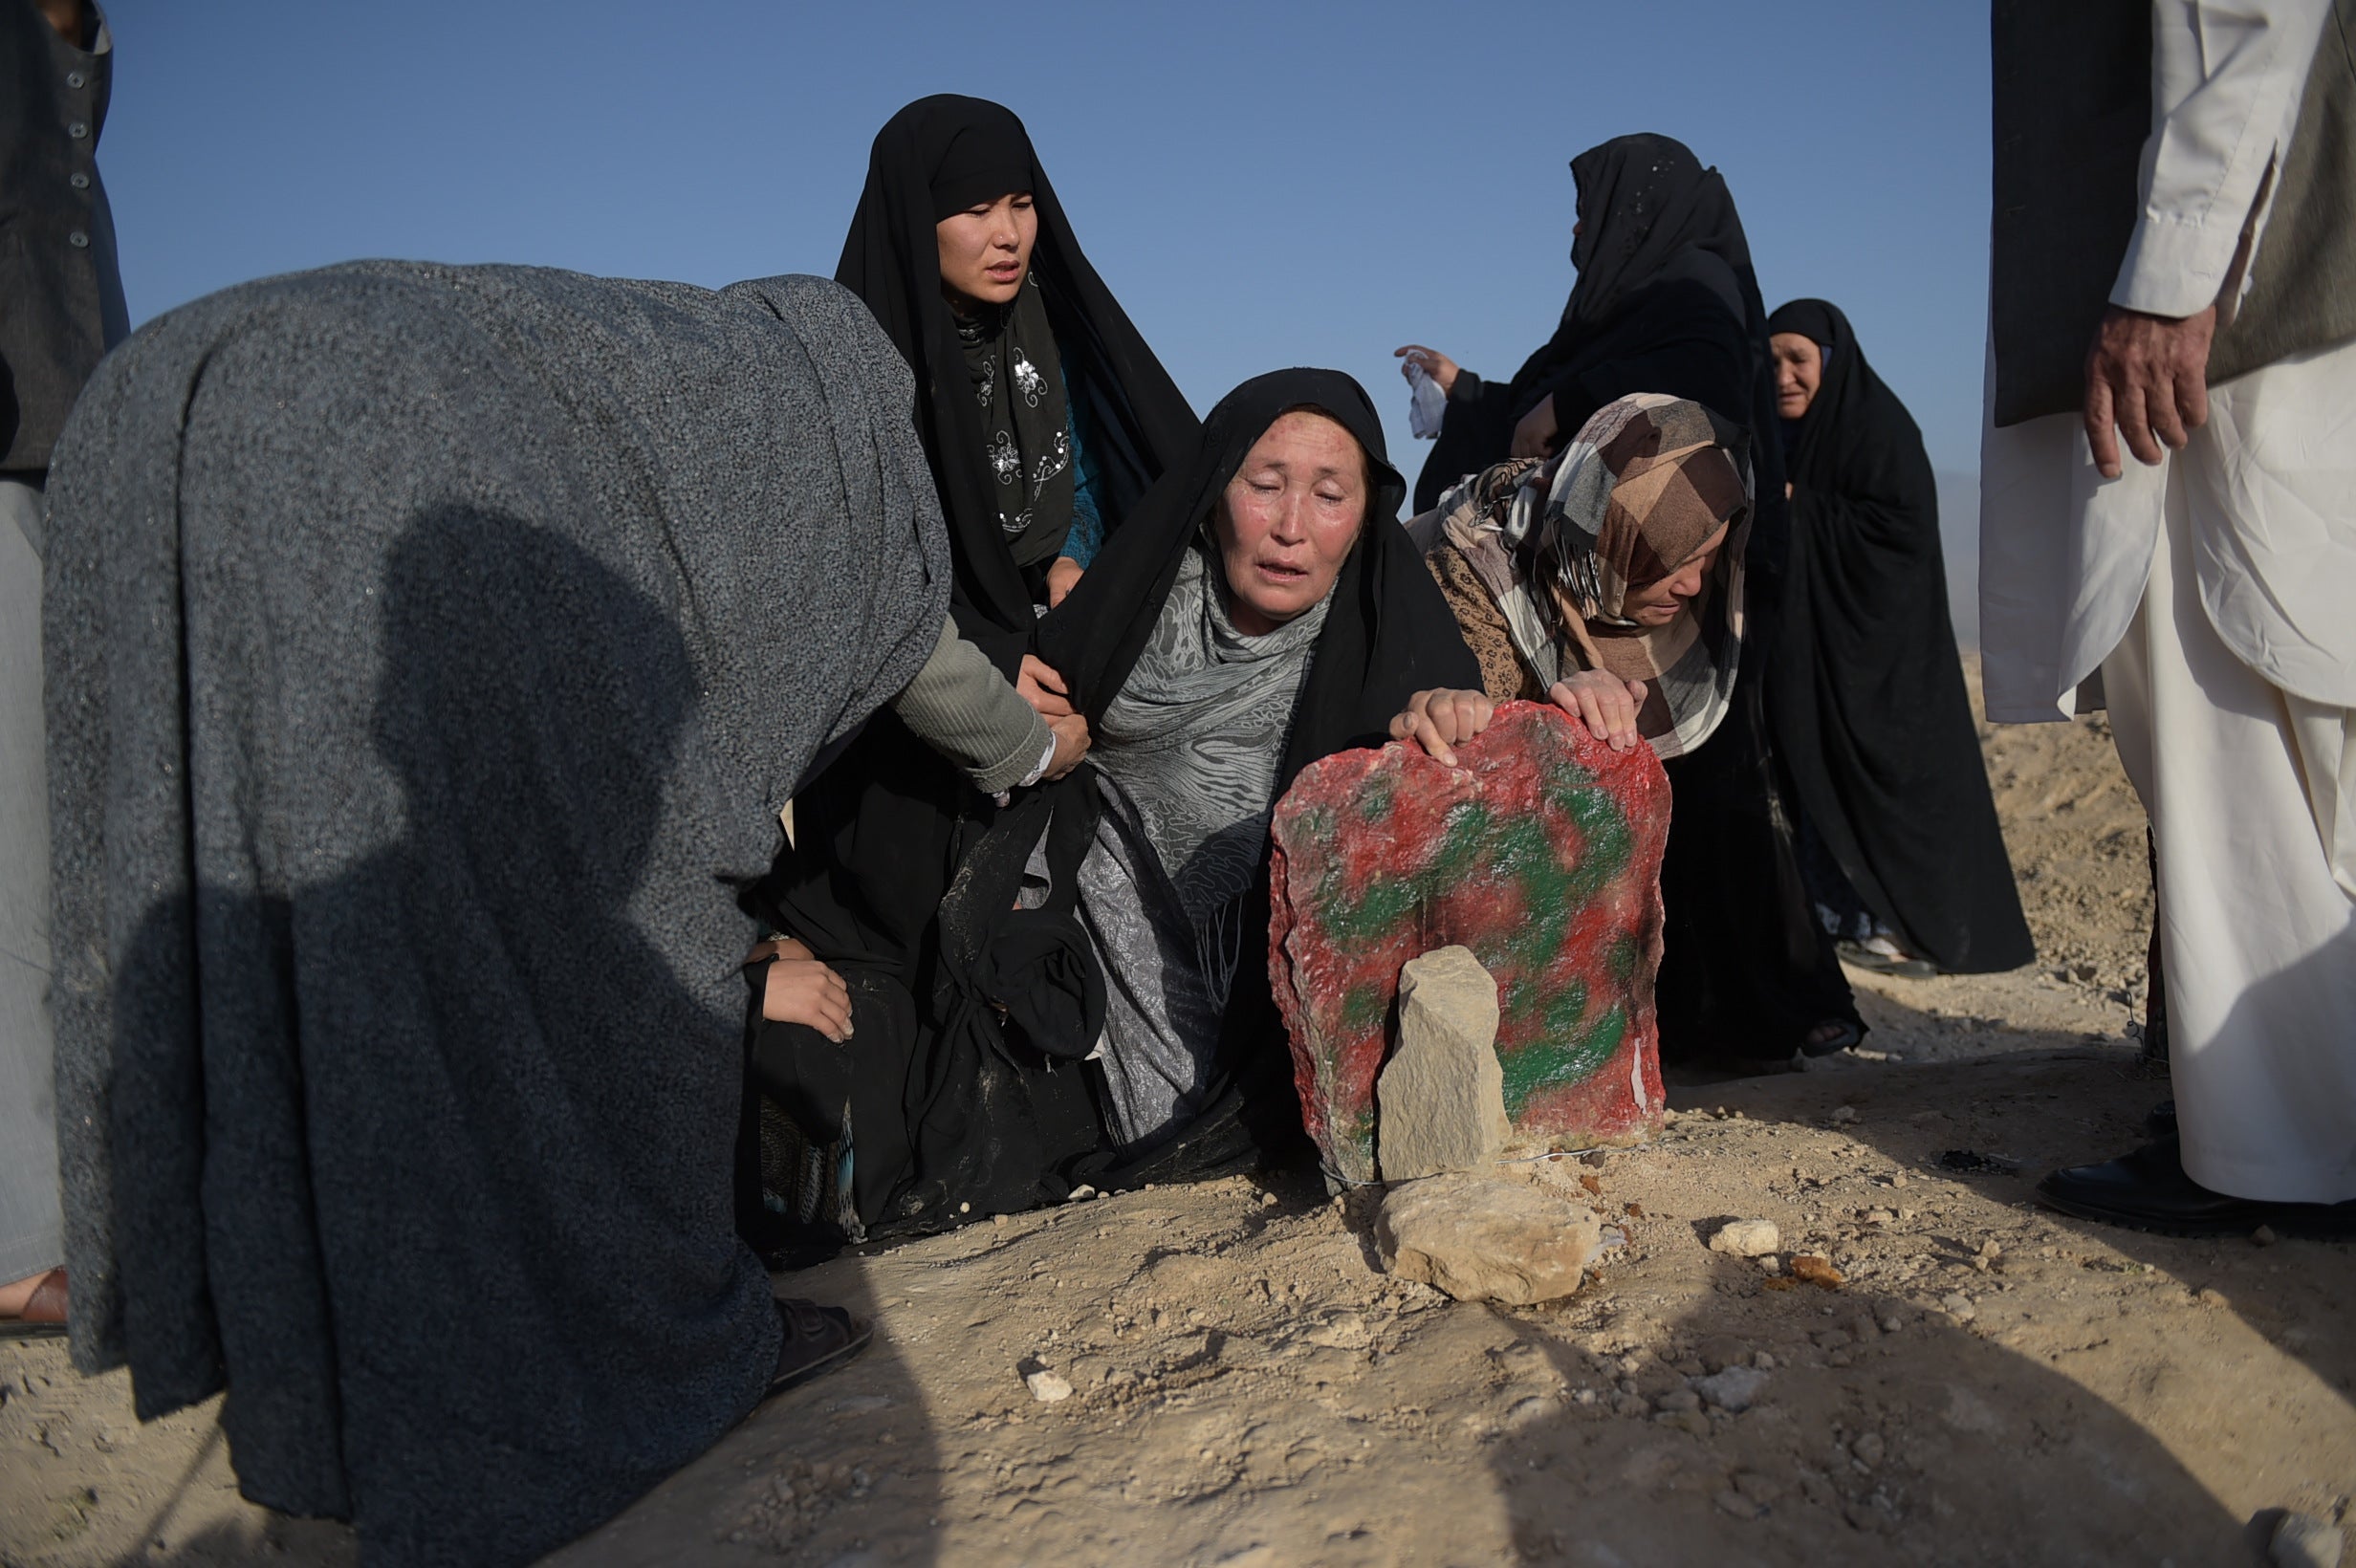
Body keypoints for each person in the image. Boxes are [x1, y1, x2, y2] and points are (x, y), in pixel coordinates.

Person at [44, 261, 987, 1566]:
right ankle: (655, 1353)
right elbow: (673, 835)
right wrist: (1031, 759)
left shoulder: (616, 379)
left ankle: (315, 1375)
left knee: (313, 934)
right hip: (351, 435)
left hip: (158, 408)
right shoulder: (801, 447)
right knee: (588, 944)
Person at [755, 97, 1197, 1233]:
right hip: (897, 736)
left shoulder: (1044, 336)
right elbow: (866, 584)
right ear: (916, 221)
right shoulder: (860, 365)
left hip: (1038, 704)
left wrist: (1068, 566)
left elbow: (1092, 487)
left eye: (1021, 203)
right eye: (973, 209)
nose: (1006, 233)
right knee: (895, 992)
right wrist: (996, 670)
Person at [1982, 0, 2356, 1233]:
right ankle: (2273, 1105)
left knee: (2228, 693)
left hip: (2212, 318)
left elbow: (2241, 15)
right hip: (2207, 290)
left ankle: (2280, 1143)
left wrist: (2171, 269)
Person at [1395, 135, 1858, 1064]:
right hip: (1620, 577)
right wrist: (1474, 392)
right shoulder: (1629, 305)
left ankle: (1730, 1013)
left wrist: (1580, 397)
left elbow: (1677, 425)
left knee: (1705, 791)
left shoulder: (1691, 293)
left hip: (1677, 572)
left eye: (1586, 213)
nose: (1575, 233)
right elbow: (1539, 425)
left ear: (1635, 214)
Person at [1036, 369, 1485, 1156]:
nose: (1289, 527)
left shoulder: (1392, 653)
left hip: (1283, 1012)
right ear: (1213, 495)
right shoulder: (1128, 612)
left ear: (1364, 515)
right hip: (1103, 969)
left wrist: (1447, 729)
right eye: (1265, 484)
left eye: (1328, 496)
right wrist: (1020, 721)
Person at [1764, 299, 2033, 978]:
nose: (1784, 376)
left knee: (1898, 791)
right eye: (1770, 362)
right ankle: (1839, 924)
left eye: (1798, 360)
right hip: (1809, 657)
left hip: (1885, 662)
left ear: (1832, 360)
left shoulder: (1878, 431)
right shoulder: (1773, 436)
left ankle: (1919, 930)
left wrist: (1802, 511)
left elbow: (1899, 533)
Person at [1, 0, 126, 1338]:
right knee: (16, 843)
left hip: (63, 440)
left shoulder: (64, 57)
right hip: (9, 453)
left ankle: (71, 1204)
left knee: (68, 844)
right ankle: (18, 1239)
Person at [1411, 393, 1751, 766]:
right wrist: (1553, 714)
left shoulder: (1619, 573)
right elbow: (1464, 757)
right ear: (1611, 544)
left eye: (1705, 558)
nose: (1694, 586)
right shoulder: (1473, 573)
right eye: (1670, 563)